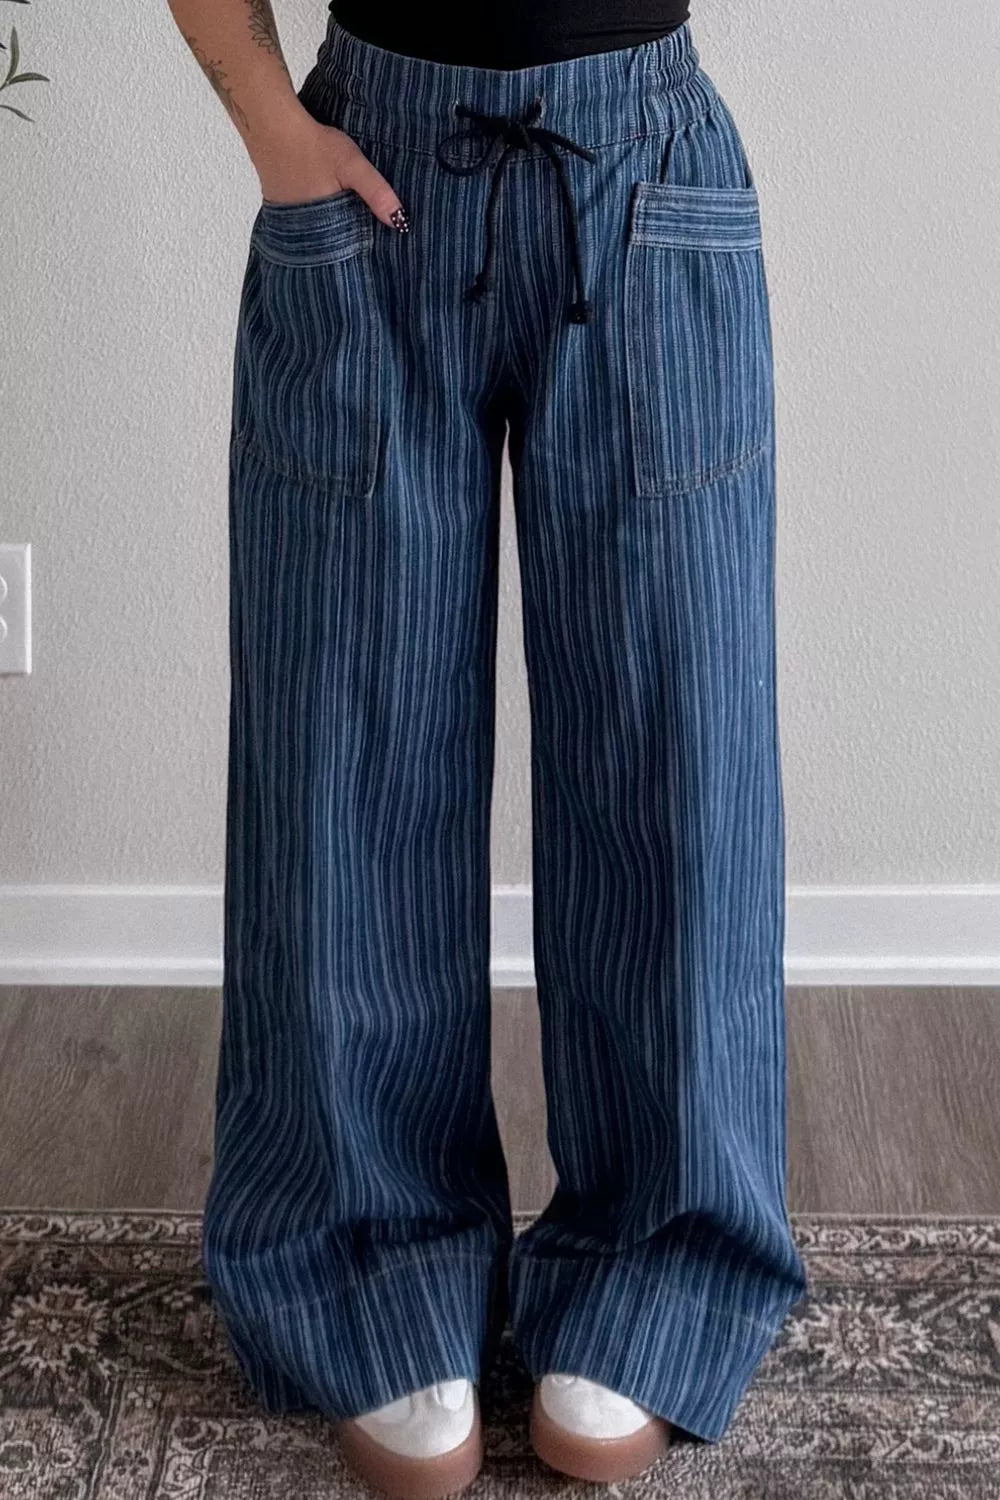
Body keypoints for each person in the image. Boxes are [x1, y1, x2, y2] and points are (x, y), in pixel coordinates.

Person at [166, 0, 810, 1493]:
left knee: (677, 747)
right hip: (368, 169)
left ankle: (663, 1262)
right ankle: (364, 1258)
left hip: (648, 173)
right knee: (345, 741)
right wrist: (269, 124)